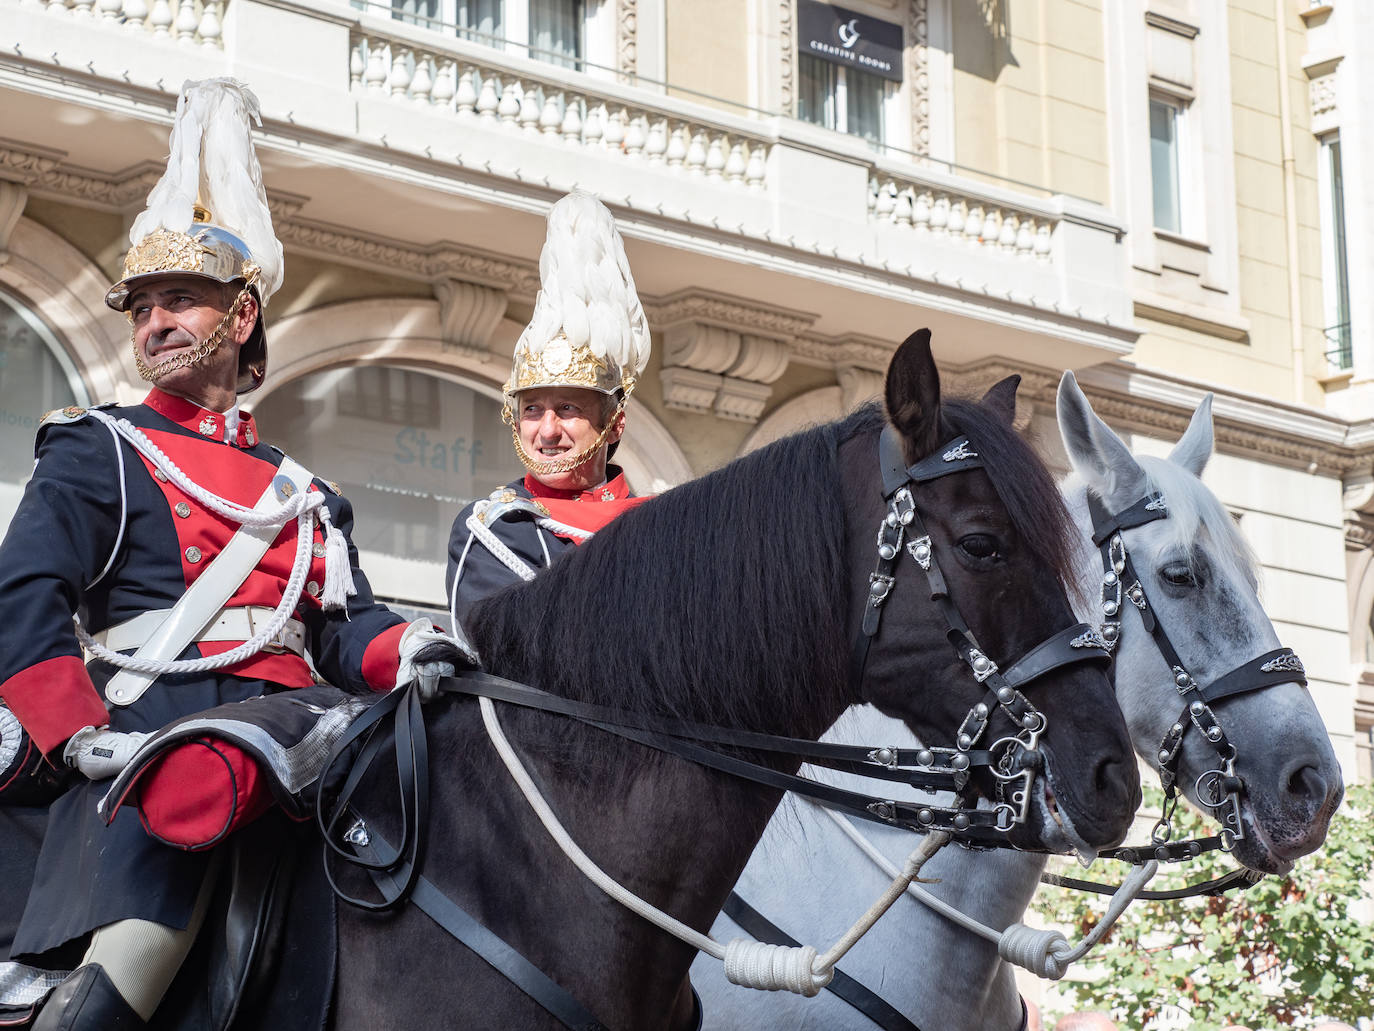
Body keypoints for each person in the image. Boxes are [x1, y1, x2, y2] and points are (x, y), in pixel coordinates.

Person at [0, 78, 459, 1030]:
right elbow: (23, 596)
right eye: (143, 308)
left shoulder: (302, 488)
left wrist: (407, 648)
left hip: (314, 739)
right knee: (129, 969)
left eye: (180, 301)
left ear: (239, 319)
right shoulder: (100, 446)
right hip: (160, 741)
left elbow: (344, 630)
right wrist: (84, 732)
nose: (154, 323)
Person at [445, 190, 654, 629]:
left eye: (567, 407)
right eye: (533, 410)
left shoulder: (661, 526)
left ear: (613, 425)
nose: (547, 430)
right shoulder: (493, 527)